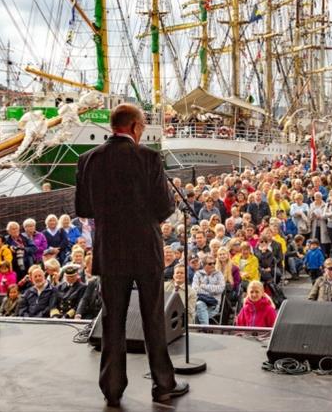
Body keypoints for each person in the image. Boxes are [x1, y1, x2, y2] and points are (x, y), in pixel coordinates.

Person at [75, 103, 187, 406]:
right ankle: (163, 384)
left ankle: (112, 389)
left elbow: (83, 209)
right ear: (136, 127)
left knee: (112, 320)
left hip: (109, 250)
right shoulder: (149, 158)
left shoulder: (87, 160)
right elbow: (164, 207)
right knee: (153, 317)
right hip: (144, 249)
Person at [192, 256, 225, 324]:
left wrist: (203, 286)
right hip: (200, 301)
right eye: (210, 264)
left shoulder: (219, 274)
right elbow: (195, 289)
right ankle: (206, 329)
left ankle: (204, 330)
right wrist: (211, 291)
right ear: (204, 265)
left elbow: (220, 289)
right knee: (200, 305)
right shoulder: (198, 274)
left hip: (213, 305)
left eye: (214, 263)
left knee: (197, 315)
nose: (213, 265)